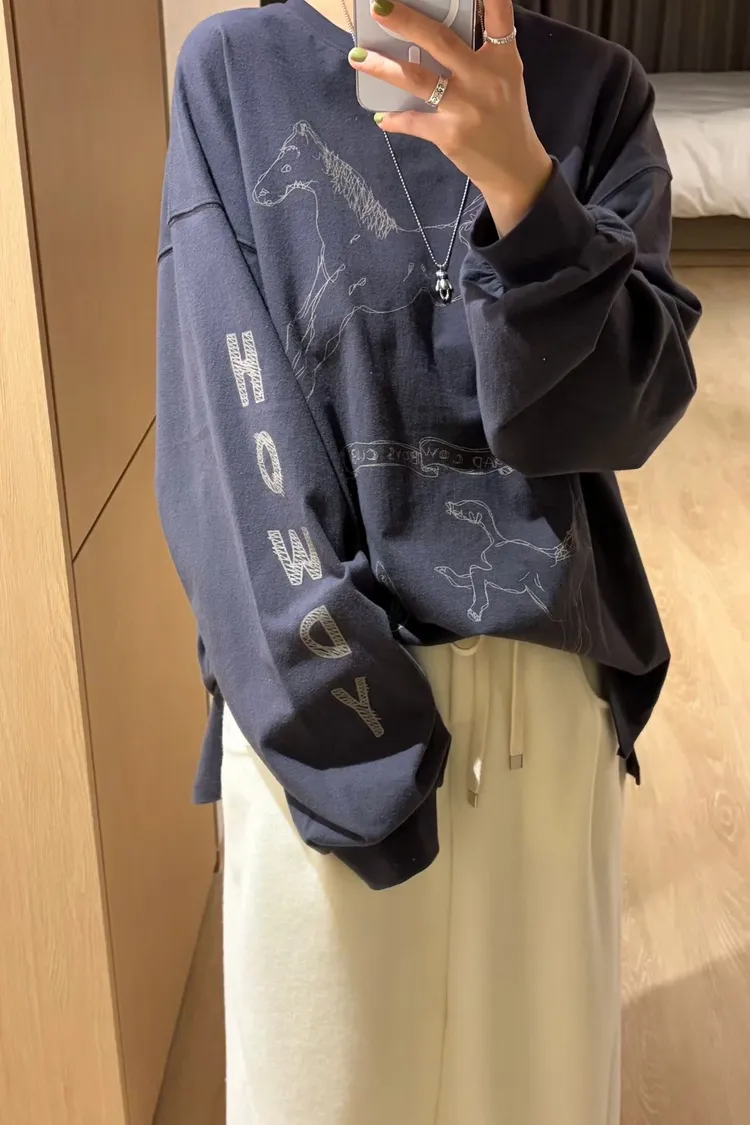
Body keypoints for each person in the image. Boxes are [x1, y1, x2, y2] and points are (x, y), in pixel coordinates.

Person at [155, 0, 701, 1121]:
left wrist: (525, 189)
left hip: (543, 724)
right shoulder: (236, 73)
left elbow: (621, 420)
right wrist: (342, 730)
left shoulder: (597, 91)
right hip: (318, 712)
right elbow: (228, 442)